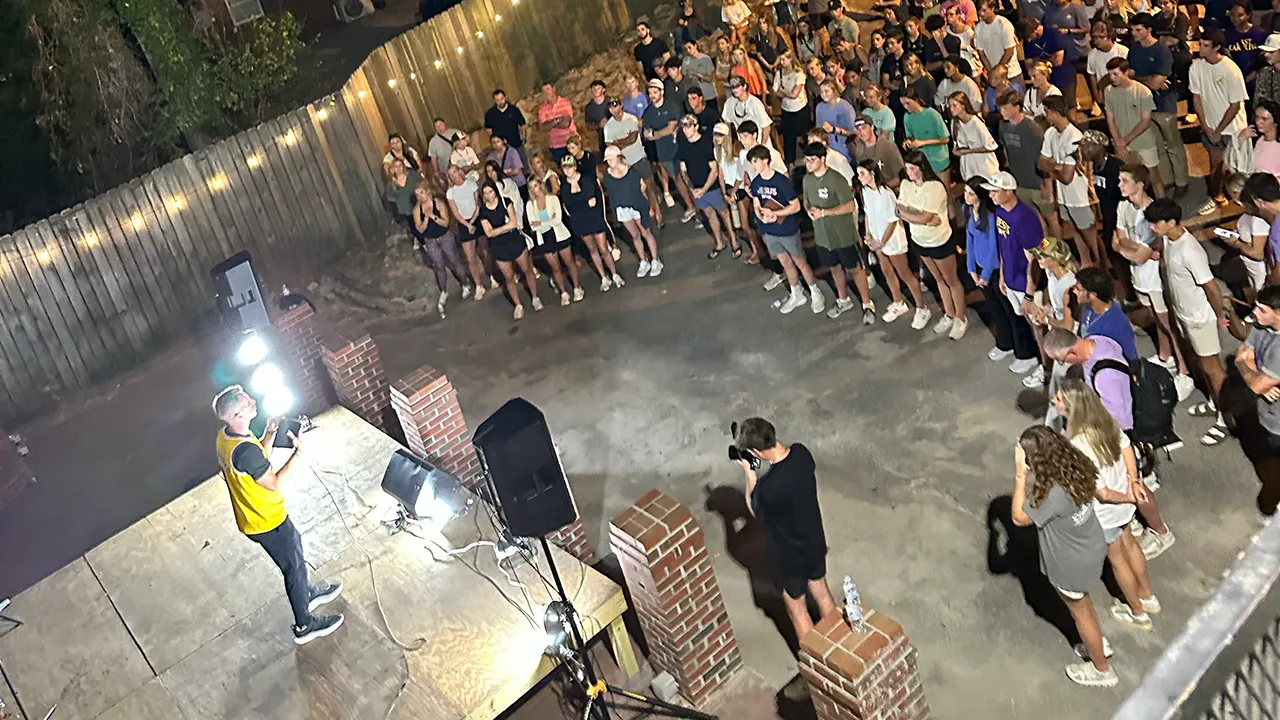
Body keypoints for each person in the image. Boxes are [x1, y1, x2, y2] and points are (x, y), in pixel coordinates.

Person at [212, 386, 343, 645]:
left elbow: (257, 459)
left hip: (254, 518)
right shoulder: (245, 451)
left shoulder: (227, 437)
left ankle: (305, 593)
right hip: (267, 521)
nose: (253, 401)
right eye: (247, 402)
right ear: (237, 415)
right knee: (293, 566)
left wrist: (270, 432)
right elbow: (272, 483)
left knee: (295, 557)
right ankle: (304, 625)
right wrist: (298, 453)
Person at [1010, 425, 1116, 688]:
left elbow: (1019, 518)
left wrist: (1020, 476)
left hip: (1070, 563)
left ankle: (1101, 669)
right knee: (1085, 606)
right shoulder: (1076, 464)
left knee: (1081, 614)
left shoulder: (1053, 494)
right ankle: (1097, 644)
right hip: (1091, 545)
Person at [1053, 379, 1161, 631]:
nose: (1053, 401)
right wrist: (1133, 482)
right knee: (1131, 545)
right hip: (1123, 505)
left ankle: (1137, 612)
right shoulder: (1105, 422)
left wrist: (1128, 496)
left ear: (1070, 407)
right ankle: (1147, 596)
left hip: (1105, 514)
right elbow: (1127, 447)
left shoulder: (1077, 445)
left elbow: (1102, 493)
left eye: (1058, 399)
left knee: (1118, 560)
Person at [734, 417, 835, 641]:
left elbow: (754, 508)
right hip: (814, 542)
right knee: (821, 592)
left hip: (791, 558)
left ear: (756, 452)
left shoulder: (768, 488)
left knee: (797, 609)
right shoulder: (802, 454)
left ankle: (815, 656)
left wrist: (750, 474)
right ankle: (840, 644)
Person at [1145, 197, 1232, 446]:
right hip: (1185, 315)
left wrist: (1220, 316)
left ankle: (1225, 419)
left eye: (1156, 223)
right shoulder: (1169, 240)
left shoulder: (1190, 251)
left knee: (1213, 369)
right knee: (1202, 365)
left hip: (1199, 318)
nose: (1151, 227)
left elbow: (1211, 288)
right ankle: (1215, 403)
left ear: (1172, 222)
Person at [803, 143, 876, 322]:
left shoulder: (836, 179)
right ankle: (843, 300)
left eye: (812, 160)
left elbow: (850, 206)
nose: (809, 163)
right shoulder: (807, 180)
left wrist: (825, 212)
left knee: (855, 268)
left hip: (843, 235)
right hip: (823, 236)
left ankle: (867, 303)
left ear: (822, 159)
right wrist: (809, 211)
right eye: (807, 160)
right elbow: (806, 201)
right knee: (834, 267)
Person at [899, 150, 968, 338]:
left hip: (939, 241)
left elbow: (924, 216)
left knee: (951, 280)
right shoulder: (905, 185)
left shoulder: (935, 187)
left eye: (912, 169)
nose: (909, 173)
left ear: (922, 168)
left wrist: (916, 216)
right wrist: (920, 218)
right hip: (919, 240)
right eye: (907, 168)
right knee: (938, 279)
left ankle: (961, 317)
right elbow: (900, 210)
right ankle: (949, 313)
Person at [983, 172, 1046, 376]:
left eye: (995, 191)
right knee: (1029, 326)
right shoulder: (1000, 212)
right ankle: (1037, 359)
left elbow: (1035, 258)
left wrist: (1029, 294)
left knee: (1039, 327)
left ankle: (1046, 368)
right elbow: (1004, 247)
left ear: (1009, 191)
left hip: (1026, 285)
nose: (991, 195)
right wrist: (1003, 275)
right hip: (1011, 280)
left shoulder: (1025, 218)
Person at [749, 145, 824, 315]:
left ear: (765, 160)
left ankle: (815, 291)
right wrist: (761, 216)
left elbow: (796, 206)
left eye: (755, 161)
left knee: (800, 262)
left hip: (787, 230)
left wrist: (776, 214)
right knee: (785, 262)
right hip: (770, 231)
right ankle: (796, 293)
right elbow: (756, 204)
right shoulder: (756, 183)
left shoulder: (781, 182)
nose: (753, 165)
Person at [860, 160, 928, 327]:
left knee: (905, 274)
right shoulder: (865, 191)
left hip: (892, 241)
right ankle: (898, 303)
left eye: (862, 173)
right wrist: (868, 235)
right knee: (887, 271)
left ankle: (922, 308)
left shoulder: (887, 194)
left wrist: (881, 242)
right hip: (877, 240)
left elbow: (892, 221)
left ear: (872, 174)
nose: (859, 177)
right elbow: (867, 213)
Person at [1189, 30, 1249, 215]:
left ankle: (1244, 198)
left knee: (1236, 166)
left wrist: (1218, 130)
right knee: (1216, 165)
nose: (1200, 48)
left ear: (1216, 47)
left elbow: (1235, 105)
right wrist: (1206, 127)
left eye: (1205, 45)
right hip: (1211, 127)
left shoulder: (1231, 69)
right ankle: (1216, 195)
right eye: (1200, 44)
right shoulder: (1196, 68)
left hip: (1233, 128)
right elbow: (1197, 99)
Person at [1129, 14, 1189, 197]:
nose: (1134, 33)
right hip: (1145, 105)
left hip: (1164, 104)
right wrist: (1146, 80)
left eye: (1138, 30)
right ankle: (1168, 180)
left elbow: (1155, 84)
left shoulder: (1162, 51)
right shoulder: (1133, 50)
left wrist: (1139, 79)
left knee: (1173, 144)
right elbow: (1130, 77)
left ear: (1149, 30)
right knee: (1157, 146)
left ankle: (1182, 182)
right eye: (1132, 30)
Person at [1041, 96, 1103, 269]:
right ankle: (1086, 264)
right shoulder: (1050, 133)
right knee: (1074, 231)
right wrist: (1057, 167)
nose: (1045, 115)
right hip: (1063, 196)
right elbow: (1041, 162)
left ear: (1055, 113)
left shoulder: (1075, 136)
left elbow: (1067, 178)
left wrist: (1053, 167)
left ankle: (1102, 267)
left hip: (1079, 196)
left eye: (1047, 112)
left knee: (1090, 236)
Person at [559, 155, 623, 292]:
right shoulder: (564, 187)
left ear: (575, 167)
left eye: (570, 167)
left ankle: (614, 274)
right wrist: (582, 202)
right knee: (592, 249)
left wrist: (581, 202)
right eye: (565, 168)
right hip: (580, 221)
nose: (567, 170)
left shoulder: (586, 179)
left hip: (593, 218)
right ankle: (603, 277)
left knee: (603, 247)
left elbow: (592, 199)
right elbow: (568, 205)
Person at [1100, 59, 1162, 200]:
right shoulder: (1108, 91)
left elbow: (1145, 121)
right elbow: (1110, 118)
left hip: (1144, 142)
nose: (1112, 78)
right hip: (1123, 144)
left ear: (1126, 72)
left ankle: (1162, 206)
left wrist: (1124, 140)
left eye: (1115, 74)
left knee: (1153, 176)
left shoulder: (1142, 91)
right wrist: (1118, 141)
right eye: (1110, 74)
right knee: (1129, 180)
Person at [1022, 236, 1079, 389]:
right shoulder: (1051, 273)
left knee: (1061, 382)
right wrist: (1047, 308)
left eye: (1042, 256)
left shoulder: (1069, 285)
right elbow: (1054, 299)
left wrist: (1047, 320)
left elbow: (1068, 325)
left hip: (1069, 340)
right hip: (1058, 332)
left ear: (1055, 258)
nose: (1038, 259)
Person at [479, 182, 541, 320]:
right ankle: (518, 304)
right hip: (499, 246)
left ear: (495, 191)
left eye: (490, 191)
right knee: (508, 276)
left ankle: (535, 297)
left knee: (527, 269)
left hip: (514, 240)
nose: (488, 195)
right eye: (485, 193)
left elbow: (514, 223)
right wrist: (505, 227)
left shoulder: (505, 202)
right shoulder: (483, 211)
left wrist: (498, 230)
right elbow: (488, 233)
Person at [679, 115, 738, 259]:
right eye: (684, 127)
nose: (686, 130)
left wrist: (704, 189)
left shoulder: (706, 143)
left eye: (689, 126)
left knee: (724, 213)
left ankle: (734, 241)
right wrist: (692, 188)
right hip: (697, 189)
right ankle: (719, 243)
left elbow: (714, 170)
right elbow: (683, 169)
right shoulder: (683, 145)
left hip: (712, 188)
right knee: (709, 215)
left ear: (696, 126)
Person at [602, 145, 663, 279]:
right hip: (622, 209)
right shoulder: (608, 175)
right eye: (608, 160)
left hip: (637, 206)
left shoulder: (631, 172)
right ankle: (643, 261)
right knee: (635, 235)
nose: (610, 162)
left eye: (612, 159)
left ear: (618, 157)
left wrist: (648, 207)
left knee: (645, 232)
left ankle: (655, 259)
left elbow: (643, 188)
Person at [411, 182, 471, 315]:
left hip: (444, 236)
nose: (419, 197)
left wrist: (433, 216)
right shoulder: (417, 209)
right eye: (417, 195)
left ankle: (465, 284)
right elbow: (420, 229)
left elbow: (445, 223)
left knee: (454, 261)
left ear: (427, 192)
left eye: (421, 193)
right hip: (430, 240)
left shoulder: (438, 203)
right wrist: (426, 219)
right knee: (439, 266)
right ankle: (444, 291)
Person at [603, 97, 662, 225]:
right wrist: (623, 141)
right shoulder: (608, 127)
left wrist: (618, 142)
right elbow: (610, 146)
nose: (614, 109)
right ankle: (648, 215)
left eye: (616, 106)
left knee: (650, 187)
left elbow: (633, 138)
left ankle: (658, 214)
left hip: (638, 158)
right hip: (625, 165)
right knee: (637, 191)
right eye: (611, 107)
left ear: (621, 106)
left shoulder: (631, 119)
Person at [526, 178, 583, 307]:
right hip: (544, 238)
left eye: (535, 186)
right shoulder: (530, 205)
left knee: (569, 262)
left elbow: (558, 220)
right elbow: (532, 225)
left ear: (541, 185)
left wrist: (541, 223)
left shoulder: (553, 199)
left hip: (559, 235)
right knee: (555, 268)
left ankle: (576, 287)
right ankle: (563, 293)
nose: (533, 190)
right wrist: (547, 222)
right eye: (531, 187)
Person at [643, 80, 694, 218]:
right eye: (650, 93)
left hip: (679, 148)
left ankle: (700, 206)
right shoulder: (648, 113)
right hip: (664, 152)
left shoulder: (672, 106)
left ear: (662, 91)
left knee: (687, 178)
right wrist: (654, 134)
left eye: (655, 92)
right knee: (677, 179)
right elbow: (646, 133)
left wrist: (655, 134)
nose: (652, 95)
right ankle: (691, 207)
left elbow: (671, 128)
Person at [1074, 266, 1140, 361]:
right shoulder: (1087, 308)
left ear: (1092, 295)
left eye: (1078, 289)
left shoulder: (1116, 324)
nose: (1074, 291)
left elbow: (1130, 356)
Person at [446, 165, 493, 299]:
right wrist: (467, 224)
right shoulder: (450, 193)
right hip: (464, 223)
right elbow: (455, 212)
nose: (454, 176)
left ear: (459, 171)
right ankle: (478, 285)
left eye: (455, 172)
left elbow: (478, 204)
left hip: (476, 218)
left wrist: (472, 221)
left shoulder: (471, 184)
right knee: (470, 256)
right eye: (451, 175)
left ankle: (492, 275)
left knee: (485, 250)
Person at [902, 90, 952, 184]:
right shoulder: (907, 117)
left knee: (943, 190)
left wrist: (923, 142)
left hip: (938, 161)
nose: (905, 107)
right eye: (903, 104)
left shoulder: (933, 114)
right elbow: (910, 136)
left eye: (908, 103)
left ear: (916, 100)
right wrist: (908, 142)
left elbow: (945, 138)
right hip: (922, 164)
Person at [949, 92, 999, 181]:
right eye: (950, 106)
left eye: (954, 105)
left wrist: (968, 150)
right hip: (968, 168)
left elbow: (991, 146)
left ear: (963, 105)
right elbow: (956, 143)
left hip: (984, 166)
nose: (951, 109)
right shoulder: (954, 123)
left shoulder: (976, 122)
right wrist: (956, 151)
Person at [773, 50, 810, 165]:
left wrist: (783, 92)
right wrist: (787, 93)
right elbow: (775, 91)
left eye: (783, 59)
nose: (781, 62)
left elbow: (795, 94)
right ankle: (790, 162)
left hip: (800, 109)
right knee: (788, 137)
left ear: (790, 59)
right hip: (787, 110)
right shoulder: (779, 73)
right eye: (780, 59)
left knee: (806, 134)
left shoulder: (799, 74)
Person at [852, 118, 906, 189]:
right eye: (858, 129)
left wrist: (883, 189)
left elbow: (901, 175)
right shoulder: (859, 150)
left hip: (890, 188)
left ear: (872, 127)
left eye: (864, 128)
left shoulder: (888, 147)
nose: (861, 132)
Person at [1086, 21, 1128, 113]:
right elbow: (1092, 76)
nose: (1097, 40)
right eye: (1095, 37)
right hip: (1104, 95)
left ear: (1110, 36)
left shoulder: (1123, 51)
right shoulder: (1092, 55)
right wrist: (1097, 97)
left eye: (1101, 37)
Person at [975, 0, 1021, 82]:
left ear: (992, 8)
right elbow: (982, 54)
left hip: (1011, 73)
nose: (981, 13)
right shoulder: (978, 28)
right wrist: (991, 72)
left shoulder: (1004, 24)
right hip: (994, 76)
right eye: (979, 11)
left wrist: (997, 71)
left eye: (984, 10)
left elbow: (1009, 51)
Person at [721, 76, 775, 146]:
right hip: (744, 143)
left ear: (744, 86)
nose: (734, 90)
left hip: (759, 141)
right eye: (733, 87)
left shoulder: (755, 103)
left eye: (737, 87)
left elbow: (766, 126)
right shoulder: (729, 103)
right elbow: (726, 124)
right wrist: (728, 144)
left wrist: (762, 145)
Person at [1226, 2, 1269, 90]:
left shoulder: (1260, 34)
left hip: (1256, 79)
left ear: (1248, 15)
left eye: (1240, 15)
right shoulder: (1227, 34)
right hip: (1235, 78)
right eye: (1232, 15)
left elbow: (1265, 59)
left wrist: (1254, 74)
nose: (1235, 18)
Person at [484, 89, 530, 169]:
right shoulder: (490, 114)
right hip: (501, 147)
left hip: (516, 143)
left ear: (505, 97)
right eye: (497, 100)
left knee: (523, 165)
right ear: (494, 101)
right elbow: (489, 131)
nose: (500, 102)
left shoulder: (514, 110)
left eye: (501, 99)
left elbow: (522, 124)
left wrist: (523, 137)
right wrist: (495, 143)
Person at [815, 80, 857, 160]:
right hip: (827, 149)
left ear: (834, 91)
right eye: (821, 92)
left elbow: (853, 132)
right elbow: (818, 129)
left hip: (843, 148)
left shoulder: (845, 107)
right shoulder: (819, 107)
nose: (823, 94)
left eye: (826, 91)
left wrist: (834, 129)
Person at [538, 82, 577, 163]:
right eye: (543, 91)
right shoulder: (542, 109)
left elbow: (566, 124)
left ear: (554, 89)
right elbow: (542, 128)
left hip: (571, 141)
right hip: (556, 145)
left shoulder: (565, 102)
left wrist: (550, 123)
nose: (546, 93)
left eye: (548, 89)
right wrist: (558, 120)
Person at [683, 39, 720, 112]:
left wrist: (696, 74)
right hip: (695, 96)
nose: (688, 50)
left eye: (689, 47)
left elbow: (710, 78)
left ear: (695, 46)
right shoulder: (686, 60)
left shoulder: (705, 58)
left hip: (708, 94)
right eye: (686, 49)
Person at [384, 161, 422, 226]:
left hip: (419, 207)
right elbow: (391, 199)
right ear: (393, 169)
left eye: (400, 165)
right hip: (406, 213)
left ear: (403, 166)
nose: (398, 168)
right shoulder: (391, 184)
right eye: (396, 166)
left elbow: (423, 184)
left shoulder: (412, 175)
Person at [582, 80, 611, 153]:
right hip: (603, 139)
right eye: (594, 88)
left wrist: (610, 121)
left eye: (598, 88)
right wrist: (599, 125)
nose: (596, 90)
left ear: (603, 90)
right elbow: (588, 125)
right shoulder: (589, 108)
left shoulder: (611, 101)